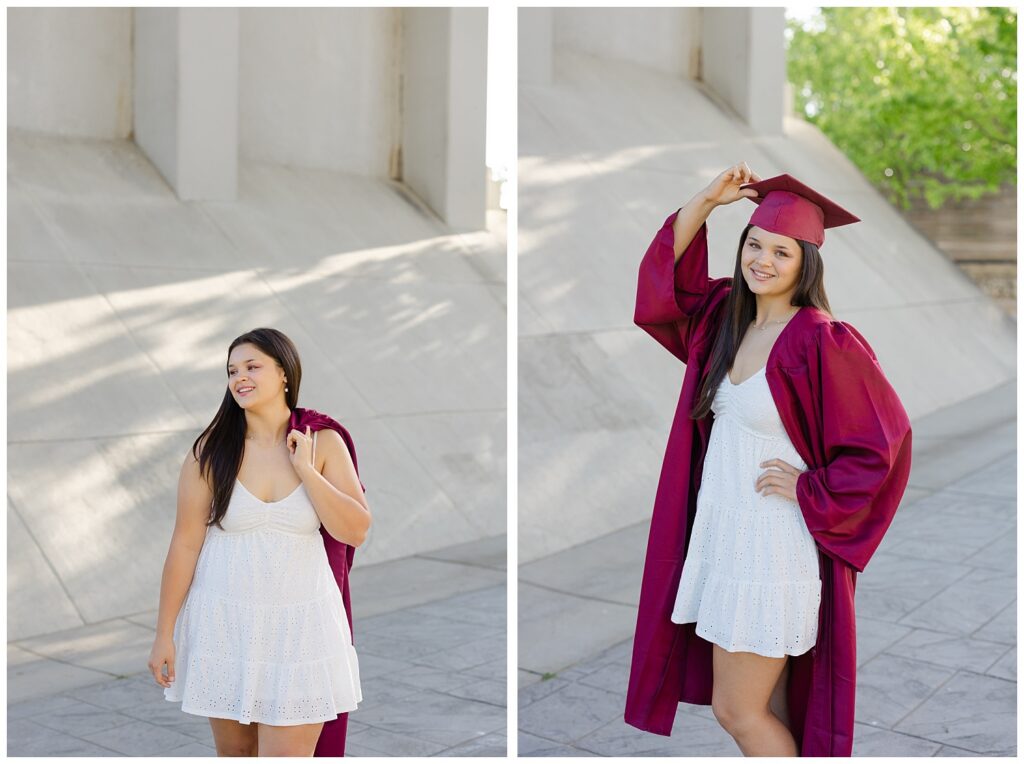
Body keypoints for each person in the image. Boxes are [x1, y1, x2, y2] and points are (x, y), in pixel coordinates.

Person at [625, 164, 913, 756]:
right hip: (724, 535)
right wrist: (707, 200)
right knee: (775, 708)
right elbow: (663, 292)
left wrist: (811, 488)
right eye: (754, 244)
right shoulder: (725, 316)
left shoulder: (821, 339)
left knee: (739, 710)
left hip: (770, 546)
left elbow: (885, 441)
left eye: (781, 251)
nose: (763, 260)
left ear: (806, 263)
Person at [147, 327, 371, 757]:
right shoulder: (210, 453)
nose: (239, 378)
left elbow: (355, 529)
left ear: (285, 373)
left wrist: (305, 469)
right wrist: (164, 634)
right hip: (225, 625)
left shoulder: (323, 443)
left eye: (252, 366)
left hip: (302, 631)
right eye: (232, 370)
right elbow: (185, 545)